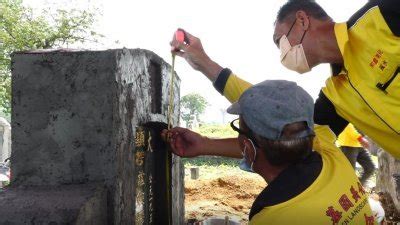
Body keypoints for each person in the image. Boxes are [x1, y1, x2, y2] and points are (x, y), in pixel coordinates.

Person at [170, 0, 400, 158]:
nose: (282, 55)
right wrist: (205, 144)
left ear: (302, 20)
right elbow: (284, 129)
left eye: (280, 42)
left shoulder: (381, 16)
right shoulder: (337, 96)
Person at [163, 80, 376, 225]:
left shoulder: (271, 217)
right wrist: (204, 144)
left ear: (248, 147)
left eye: (239, 128)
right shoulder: (330, 154)